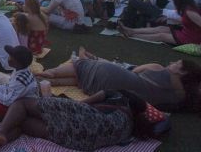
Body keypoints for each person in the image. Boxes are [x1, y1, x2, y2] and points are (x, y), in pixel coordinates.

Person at [0, 90, 155, 152]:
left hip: (81, 118)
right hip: (78, 141)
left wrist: (61, 105)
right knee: (22, 122)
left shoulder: (119, 99)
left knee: (22, 103)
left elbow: (86, 103)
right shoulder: (129, 128)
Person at [37, 52, 201, 112]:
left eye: (176, 63)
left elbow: (134, 71)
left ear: (182, 71)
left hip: (115, 76)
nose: (172, 63)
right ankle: (47, 82)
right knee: (78, 79)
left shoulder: (158, 67)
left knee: (80, 64)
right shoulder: (180, 98)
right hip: (112, 92)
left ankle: (45, 73)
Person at [119, 0, 201, 45]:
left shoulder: (189, 11)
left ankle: (132, 35)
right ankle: (131, 31)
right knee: (161, 28)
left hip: (191, 38)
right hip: (186, 32)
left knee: (161, 36)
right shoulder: (188, 9)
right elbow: (189, 22)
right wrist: (169, 19)